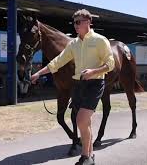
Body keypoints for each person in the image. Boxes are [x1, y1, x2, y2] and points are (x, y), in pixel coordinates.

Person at [30, 9, 115, 165]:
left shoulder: (100, 40)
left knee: (81, 119)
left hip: (95, 84)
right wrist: (38, 74)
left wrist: (94, 71)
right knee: (85, 122)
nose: (75, 25)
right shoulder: (73, 44)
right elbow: (58, 61)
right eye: (74, 22)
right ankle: (90, 155)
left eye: (78, 22)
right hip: (78, 85)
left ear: (89, 22)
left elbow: (110, 63)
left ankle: (84, 157)